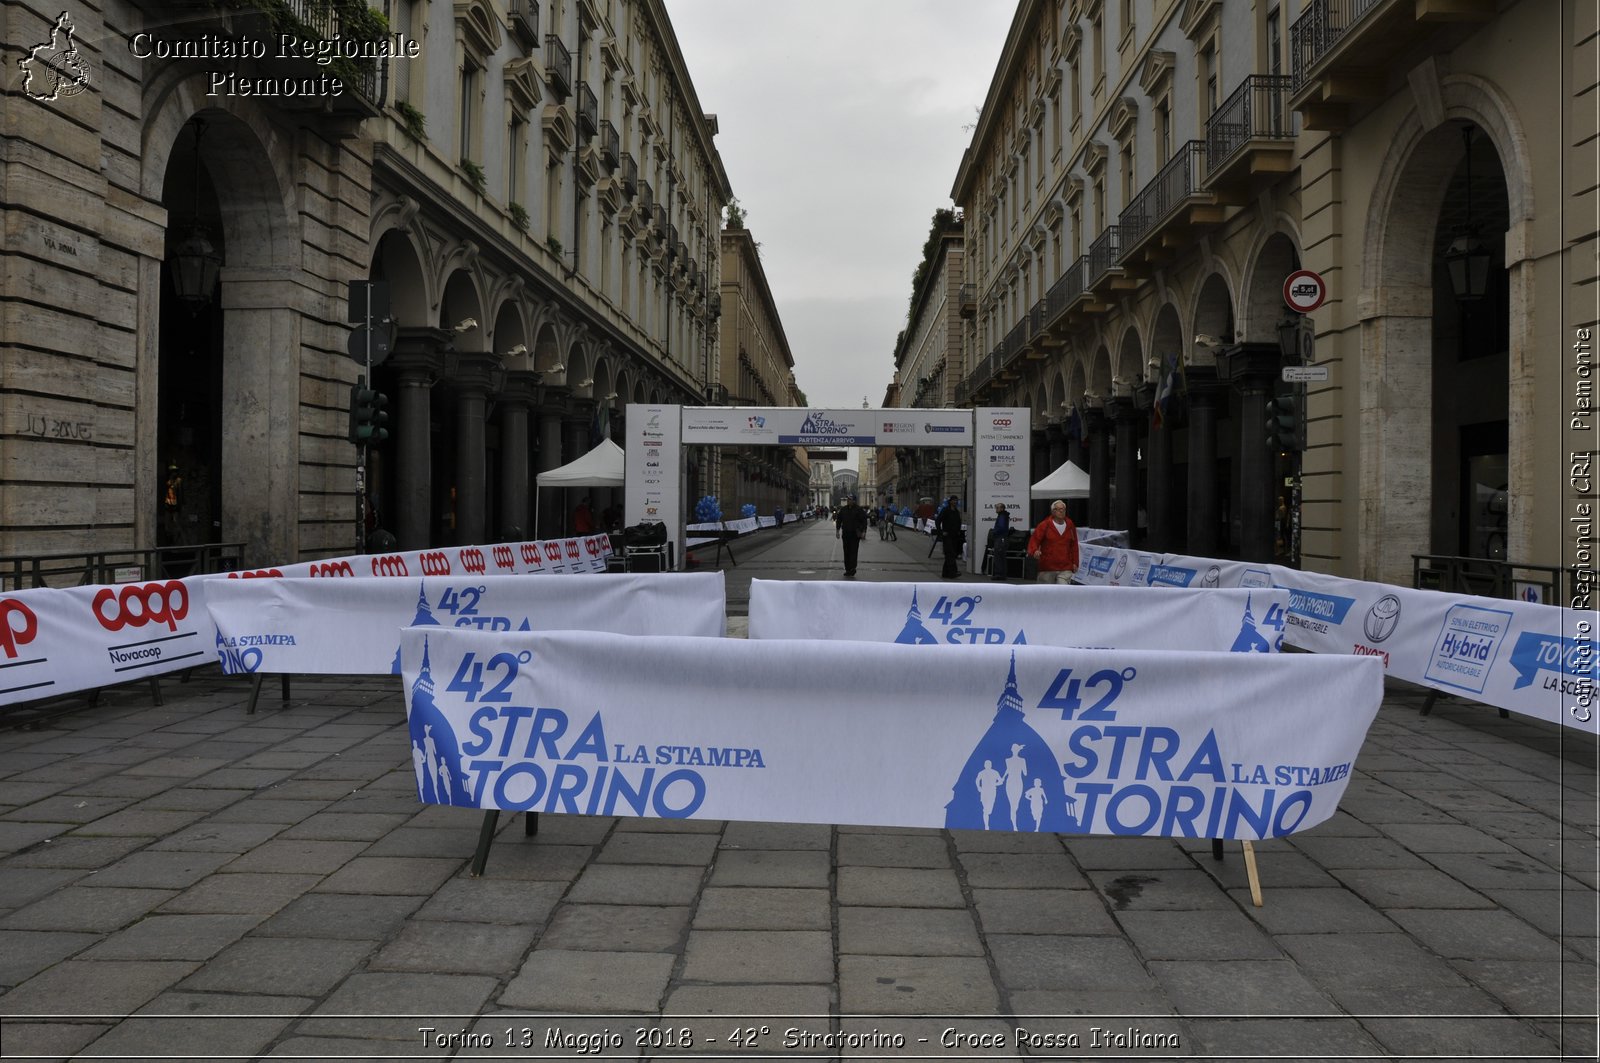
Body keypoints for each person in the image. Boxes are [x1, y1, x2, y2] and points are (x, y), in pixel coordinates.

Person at [1027, 499, 1080, 583]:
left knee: (1063, 591)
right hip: (1047, 567)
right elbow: (1034, 540)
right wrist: (1035, 551)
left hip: (1065, 567)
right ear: (1053, 511)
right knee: (1046, 593)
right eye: (1058, 509)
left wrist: (1075, 563)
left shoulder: (1070, 525)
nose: (1061, 511)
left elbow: (1074, 545)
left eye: (1063, 509)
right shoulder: (1044, 525)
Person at [836, 495, 868, 577]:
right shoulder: (843, 509)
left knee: (853, 552)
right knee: (846, 552)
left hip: (854, 535)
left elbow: (864, 521)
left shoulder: (859, 510)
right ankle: (847, 569)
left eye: (850, 499)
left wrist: (864, 531)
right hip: (845, 534)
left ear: (854, 500)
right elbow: (839, 520)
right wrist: (837, 531)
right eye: (848, 499)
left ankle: (853, 568)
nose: (848, 501)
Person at [935, 495, 965, 579]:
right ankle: (953, 572)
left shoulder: (956, 511)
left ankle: (945, 573)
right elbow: (938, 520)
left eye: (956, 500)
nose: (955, 502)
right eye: (954, 500)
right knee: (950, 553)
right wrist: (940, 531)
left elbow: (958, 522)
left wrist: (959, 532)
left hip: (955, 536)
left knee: (950, 554)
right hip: (947, 535)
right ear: (950, 501)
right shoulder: (945, 510)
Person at [990, 503, 1012, 581]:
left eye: (997, 508)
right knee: (1001, 556)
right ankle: (1002, 574)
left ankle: (999, 574)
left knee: (998, 556)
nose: (996, 509)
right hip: (1003, 538)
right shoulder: (1004, 516)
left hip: (1000, 538)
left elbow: (1001, 527)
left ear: (1002, 508)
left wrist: (994, 532)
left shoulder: (1002, 516)